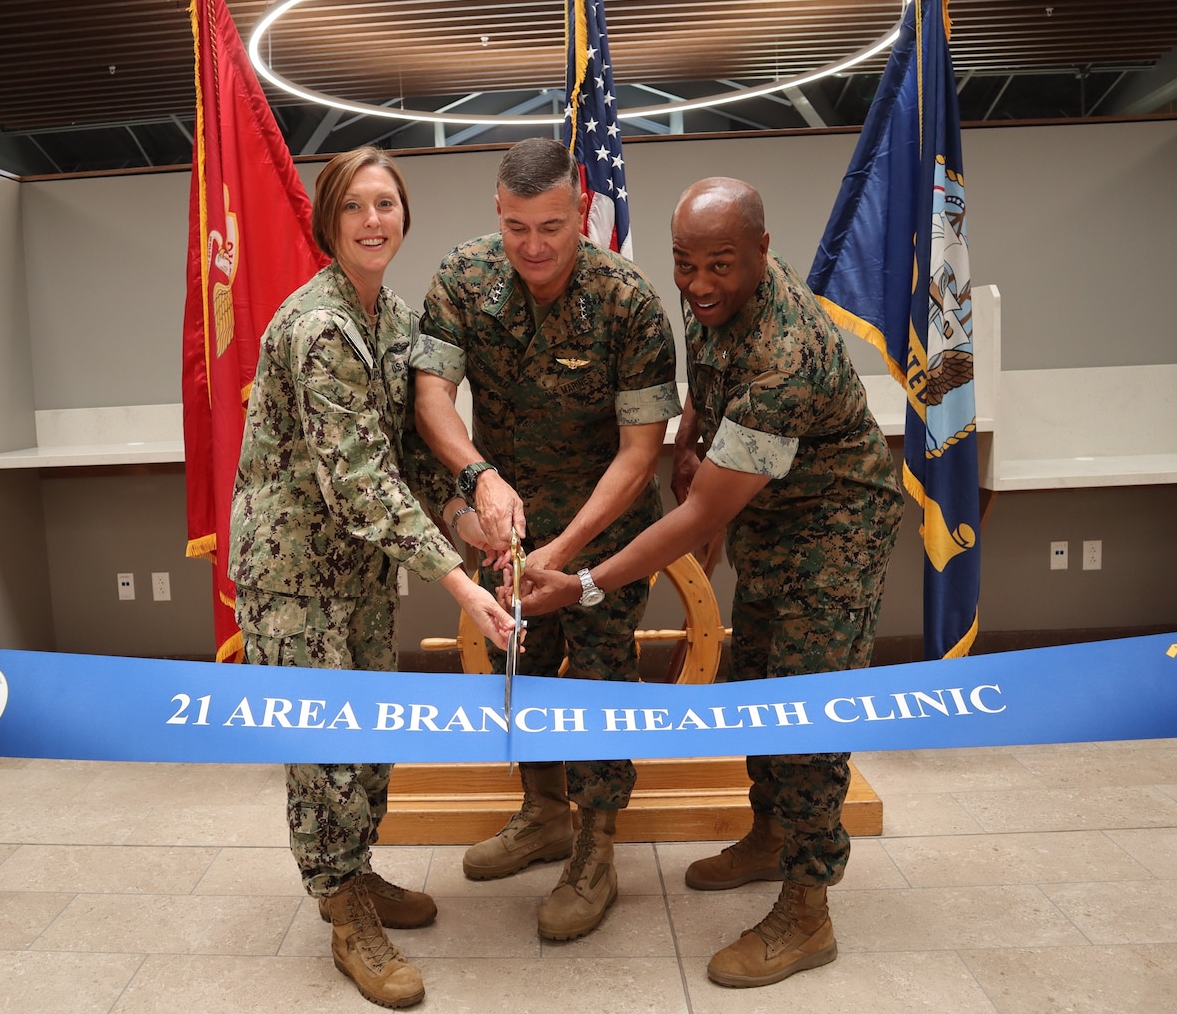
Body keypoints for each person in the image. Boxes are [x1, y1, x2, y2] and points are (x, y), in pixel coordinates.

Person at [518, 176, 904, 987]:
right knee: (757, 679)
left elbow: (694, 522)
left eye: (719, 264)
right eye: (683, 264)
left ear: (762, 251)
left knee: (803, 710)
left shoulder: (787, 355)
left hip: (835, 526)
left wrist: (583, 583)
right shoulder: (719, 303)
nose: (697, 284)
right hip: (773, 510)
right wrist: (690, 441)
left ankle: (808, 910)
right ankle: (769, 837)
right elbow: (706, 396)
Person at [230, 147, 515, 1009]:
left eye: (386, 204)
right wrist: (461, 587)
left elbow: (412, 461)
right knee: (323, 751)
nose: (372, 220)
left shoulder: (392, 318)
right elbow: (357, 479)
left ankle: (356, 872)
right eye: (354, 206)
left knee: (371, 735)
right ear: (329, 220)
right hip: (291, 577)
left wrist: (476, 523)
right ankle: (343, 908)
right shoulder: (318, 327)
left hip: (356, 570)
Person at [411, 137, 680, 941]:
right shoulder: (462, 276)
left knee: (598, 685)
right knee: (515, 667)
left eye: (552, 228)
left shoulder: (626, 298)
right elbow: (431, 400)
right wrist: (479, 480)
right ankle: (542, 813)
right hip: (504, 526)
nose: (533, 246)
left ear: (582, 206)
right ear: (498, 208)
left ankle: (597, 846)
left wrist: (560, 555)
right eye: (518, 227)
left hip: (601, 532)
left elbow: (640, 454)